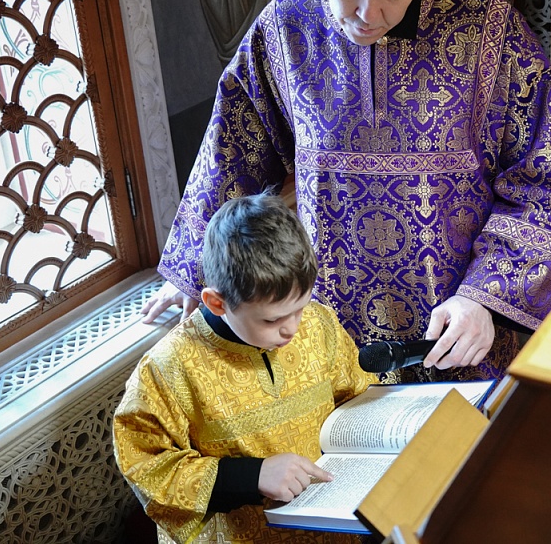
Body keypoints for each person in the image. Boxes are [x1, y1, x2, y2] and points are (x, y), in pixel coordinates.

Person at [143, 0, 551, 383]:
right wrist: (193, 270)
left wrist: (486, 296)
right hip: (324, 333)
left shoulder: (493, 33)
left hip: (457, 332)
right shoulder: (283, 31)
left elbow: (543, 183)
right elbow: (231, 156)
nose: (369, 14)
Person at [114, 192, 376, 543]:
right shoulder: (168, 368)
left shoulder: (319, 324)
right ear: (217, 303)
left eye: (300, 308)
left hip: (332, 526)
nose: (292, 329)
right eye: (272, 319)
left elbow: (356, 398)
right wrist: (252, 476)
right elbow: (147, 467)